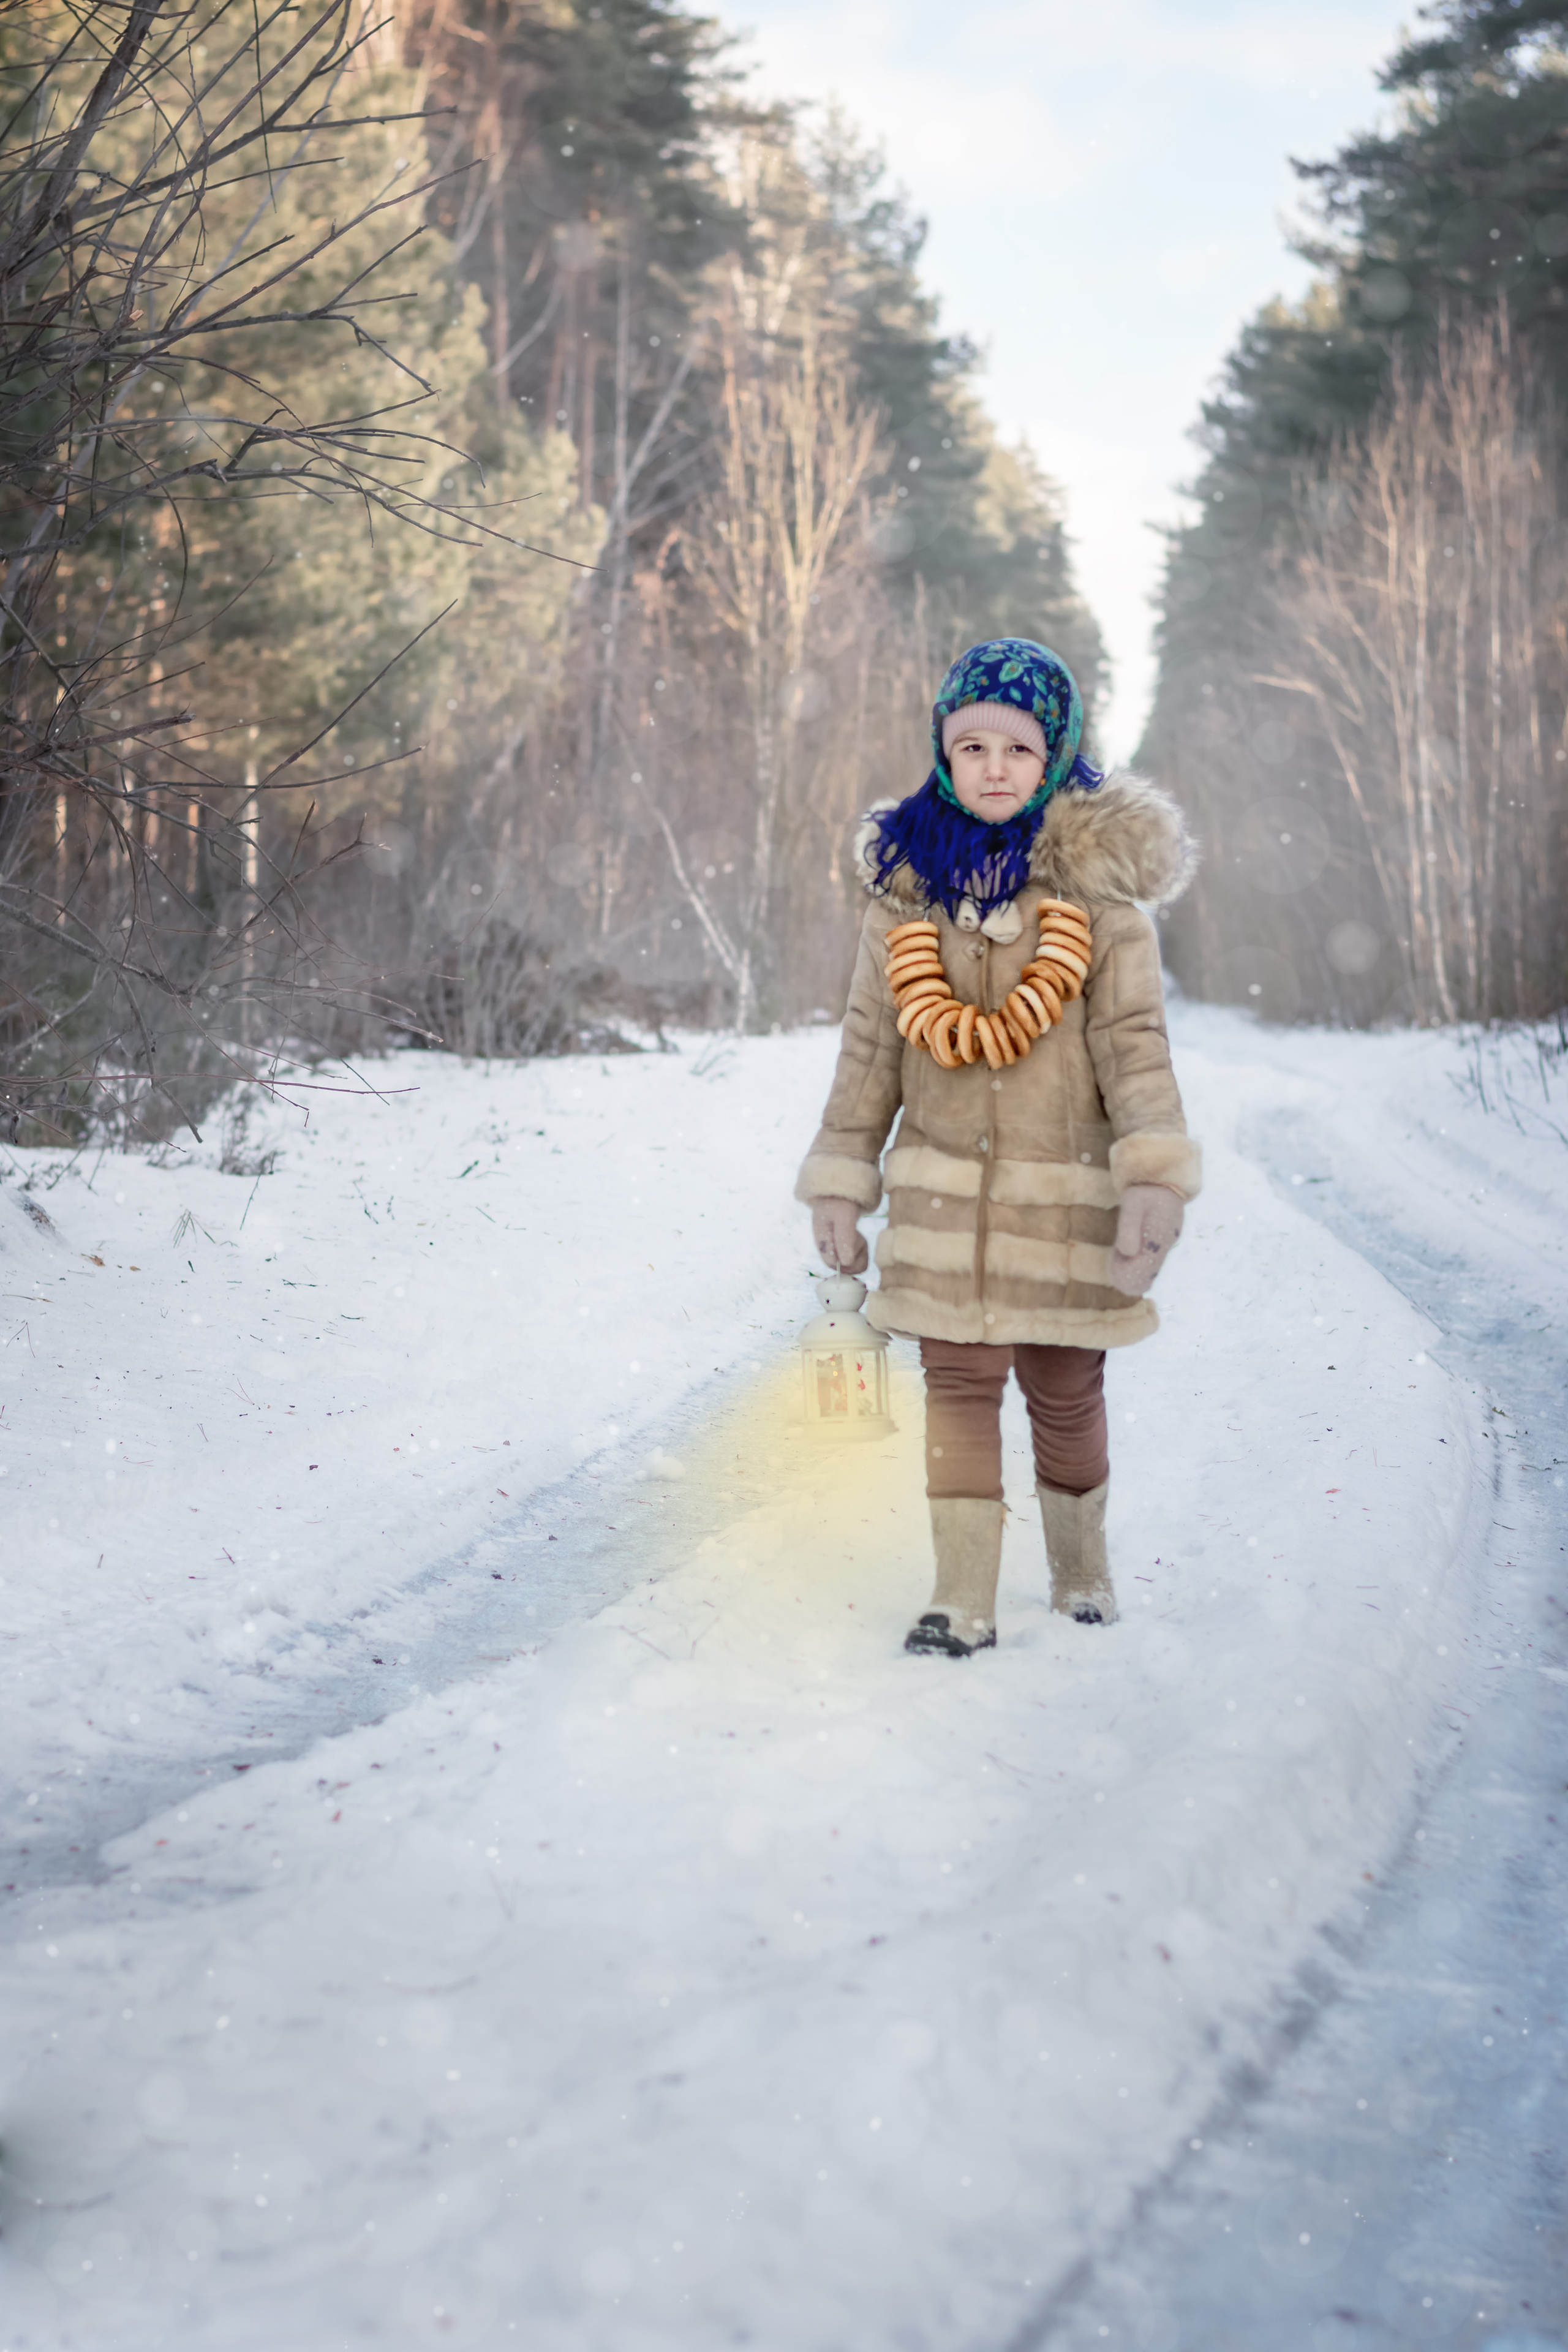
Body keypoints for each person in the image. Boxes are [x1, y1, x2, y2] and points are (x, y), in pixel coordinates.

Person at [795, 637, 1200, 1656]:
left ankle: (1082, 1573)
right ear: (943, 753)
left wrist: (1154, 1177)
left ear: (1054, 757)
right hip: (940, 1204)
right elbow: (868, 1052)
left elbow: (1136, 1050)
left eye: (1017, 749)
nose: (992, 768)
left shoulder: (1101, 907)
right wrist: (840, 1179)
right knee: (959, 1390)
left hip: (1061, 1205)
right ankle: (961, 1597)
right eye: (971, 746)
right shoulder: (904, 897)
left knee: (1064, 1391)